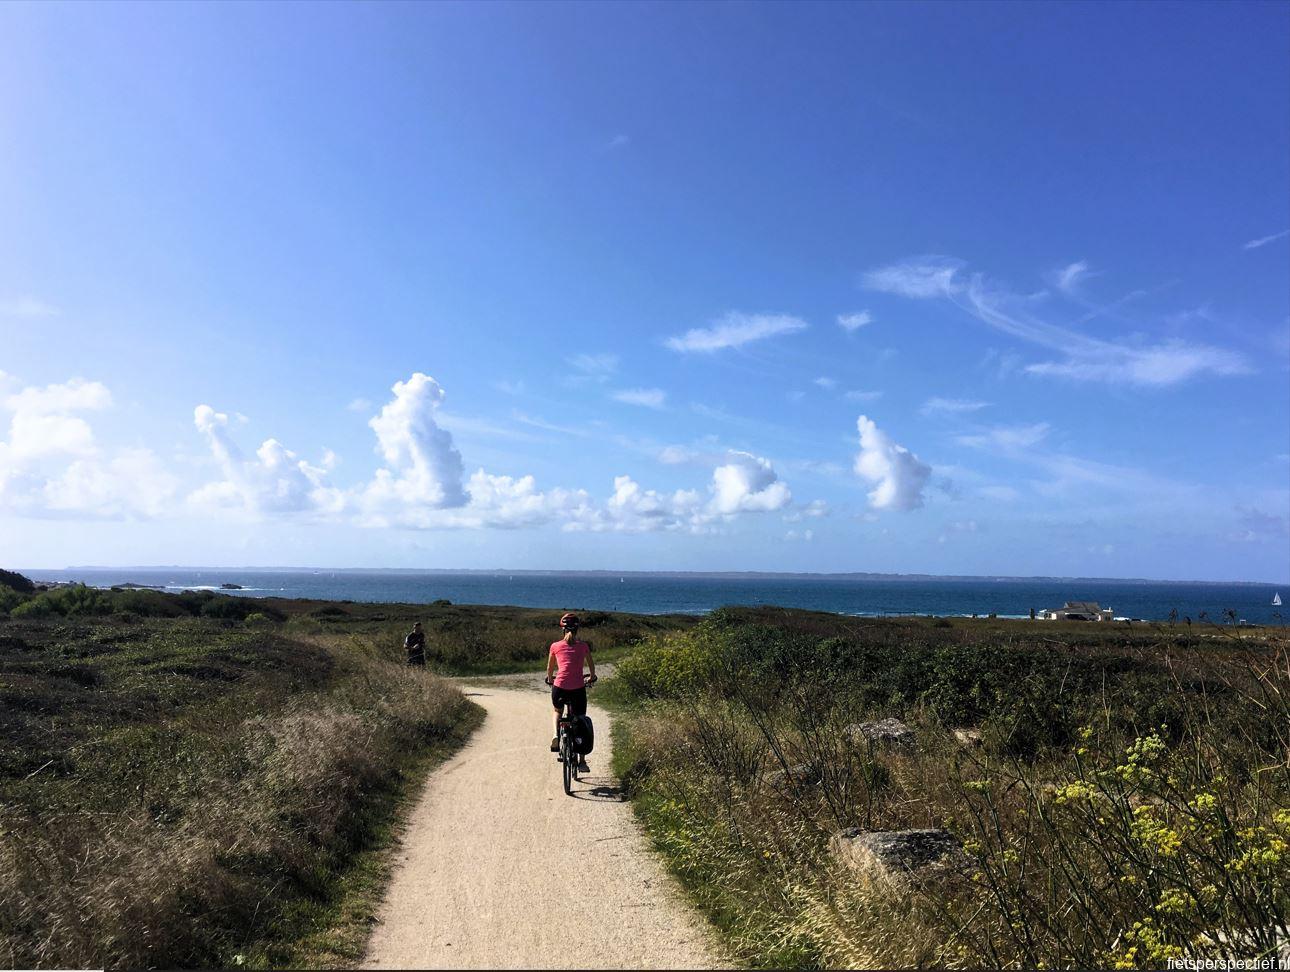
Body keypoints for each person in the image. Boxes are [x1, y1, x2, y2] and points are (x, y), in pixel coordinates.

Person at [545, 612, 596, 768]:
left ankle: (555, 735)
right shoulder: (583, 646)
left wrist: (551, 679)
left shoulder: (555, 646)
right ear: (577, 630)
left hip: (560, 687)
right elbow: (592, 667)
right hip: (578, 689)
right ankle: (582, 762)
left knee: (557, 711)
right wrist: (591, 677)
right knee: (580, 719)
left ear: (563, 630)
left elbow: (550, 668)